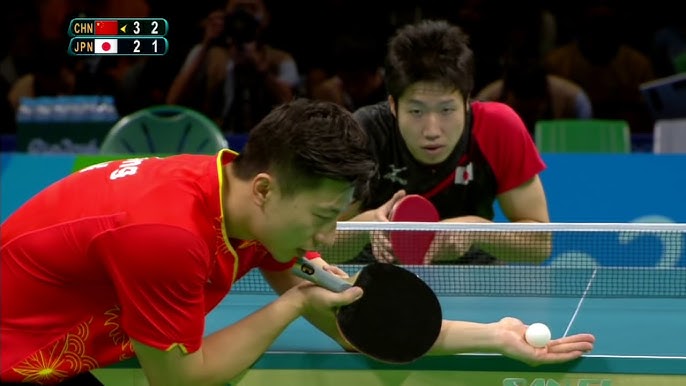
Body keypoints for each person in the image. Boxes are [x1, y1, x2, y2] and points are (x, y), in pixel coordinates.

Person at [1, 98, 594, 386]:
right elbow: (180, 380)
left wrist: (494, 336)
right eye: (323, 216)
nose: (330, 237)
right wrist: (290, 304)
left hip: (59, 337)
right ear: (265, 188)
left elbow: (354, 314)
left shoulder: (241, 203)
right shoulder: (169, 236)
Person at [322, 19, 552, 265]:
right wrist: (365, 226)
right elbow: (321, 247)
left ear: (466, 101)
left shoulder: (498, 128)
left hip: (474, 278)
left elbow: (540, 247)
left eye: (446, 110)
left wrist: (477, 229)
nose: (432, 131)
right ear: (393, 106)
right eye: (416, 112)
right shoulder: (364, 134)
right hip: (377, 276)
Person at [165, 0, 300, 134]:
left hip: (265, 139)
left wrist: (260, 67)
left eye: (252, 9)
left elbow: (291, 108)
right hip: (214, 138)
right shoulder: (207, 54)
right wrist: (206, 44)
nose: (244, 15)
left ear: (266, 18)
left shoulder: (281, 59)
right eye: (239, 8)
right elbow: (173, 102)